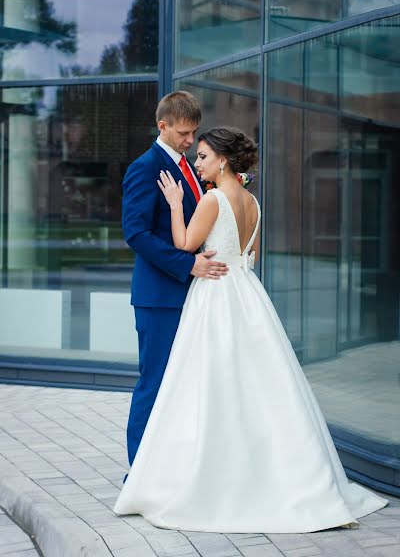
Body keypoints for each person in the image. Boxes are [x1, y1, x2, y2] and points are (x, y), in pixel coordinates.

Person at [114, 126, 388, 533]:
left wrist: (175, 205)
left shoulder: (211, 199)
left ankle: (211, 472)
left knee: (206, 384)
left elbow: (185, 244)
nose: (198, 163)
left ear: (222, 160)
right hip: (247, 293)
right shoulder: (253, 202)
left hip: (215, 296)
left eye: (204, 156)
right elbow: (251, 256)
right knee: (259, 383)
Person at [122, 91, 228, 469]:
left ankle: (174, 466)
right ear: (162, 125)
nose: (190, 140)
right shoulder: (144, 168)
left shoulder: (191, 168)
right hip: (160, 298)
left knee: (186, 386)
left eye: (194, 132)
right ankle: (139, 474)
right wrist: (187, 266)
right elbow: (135, 233)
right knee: (154, 385)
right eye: (183, 133)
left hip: (195, 296)